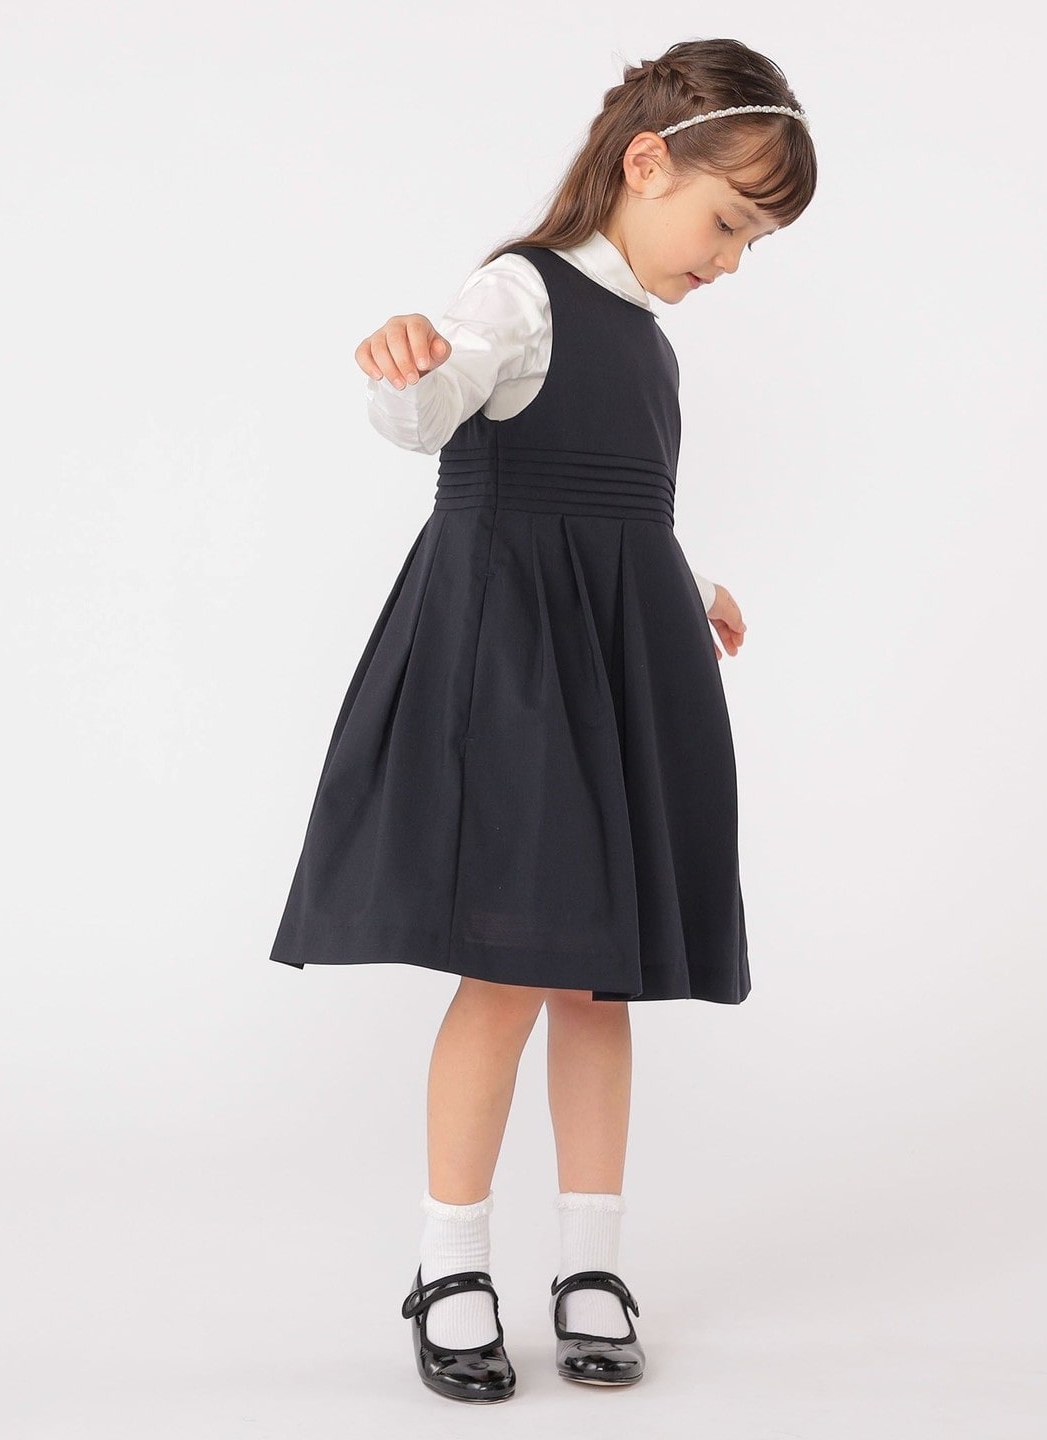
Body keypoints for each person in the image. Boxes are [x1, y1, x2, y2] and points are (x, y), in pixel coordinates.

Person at [269, 36, 816, 1404]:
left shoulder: (650, 343)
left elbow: (617, 502)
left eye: (755, 243)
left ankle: (590, 1262)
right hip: (515, 672)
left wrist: (686, 584)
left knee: (596, 978)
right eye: (728, 224)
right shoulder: (517, 292)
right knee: (508, 969)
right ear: (648, 163)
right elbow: (432, 412)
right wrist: (405, 363)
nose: (732, 261)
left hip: (615, 663)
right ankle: (451, 1263)